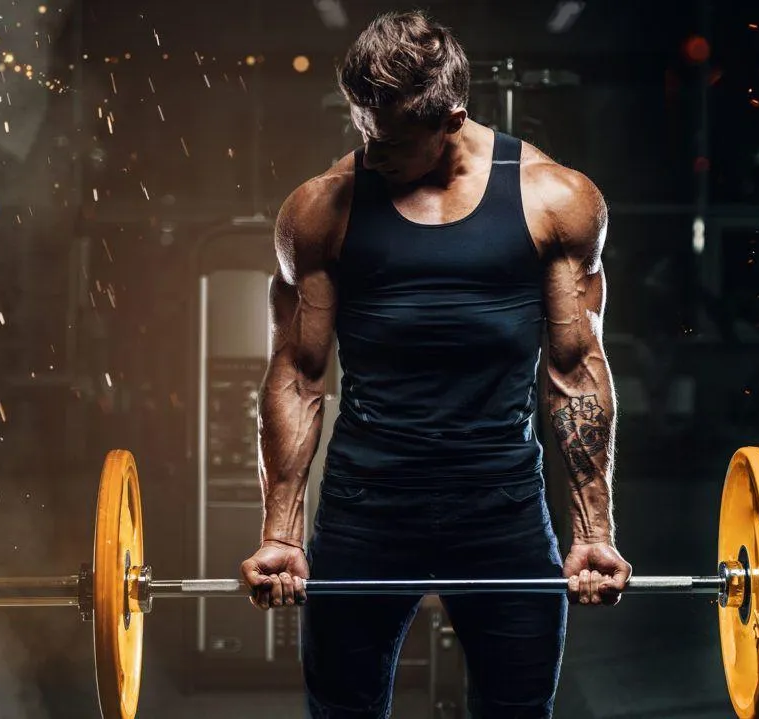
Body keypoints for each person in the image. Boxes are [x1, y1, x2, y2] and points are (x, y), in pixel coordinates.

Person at [241, 9, 631, 718]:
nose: (370, 152)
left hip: (502, 509)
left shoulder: (554, 200)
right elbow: (298, 375)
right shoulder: (320, 210)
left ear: (451, 120)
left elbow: (576, 372)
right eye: (363, 128)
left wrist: (594, 532)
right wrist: (280, 534)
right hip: (366, 508)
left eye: (389, 140)